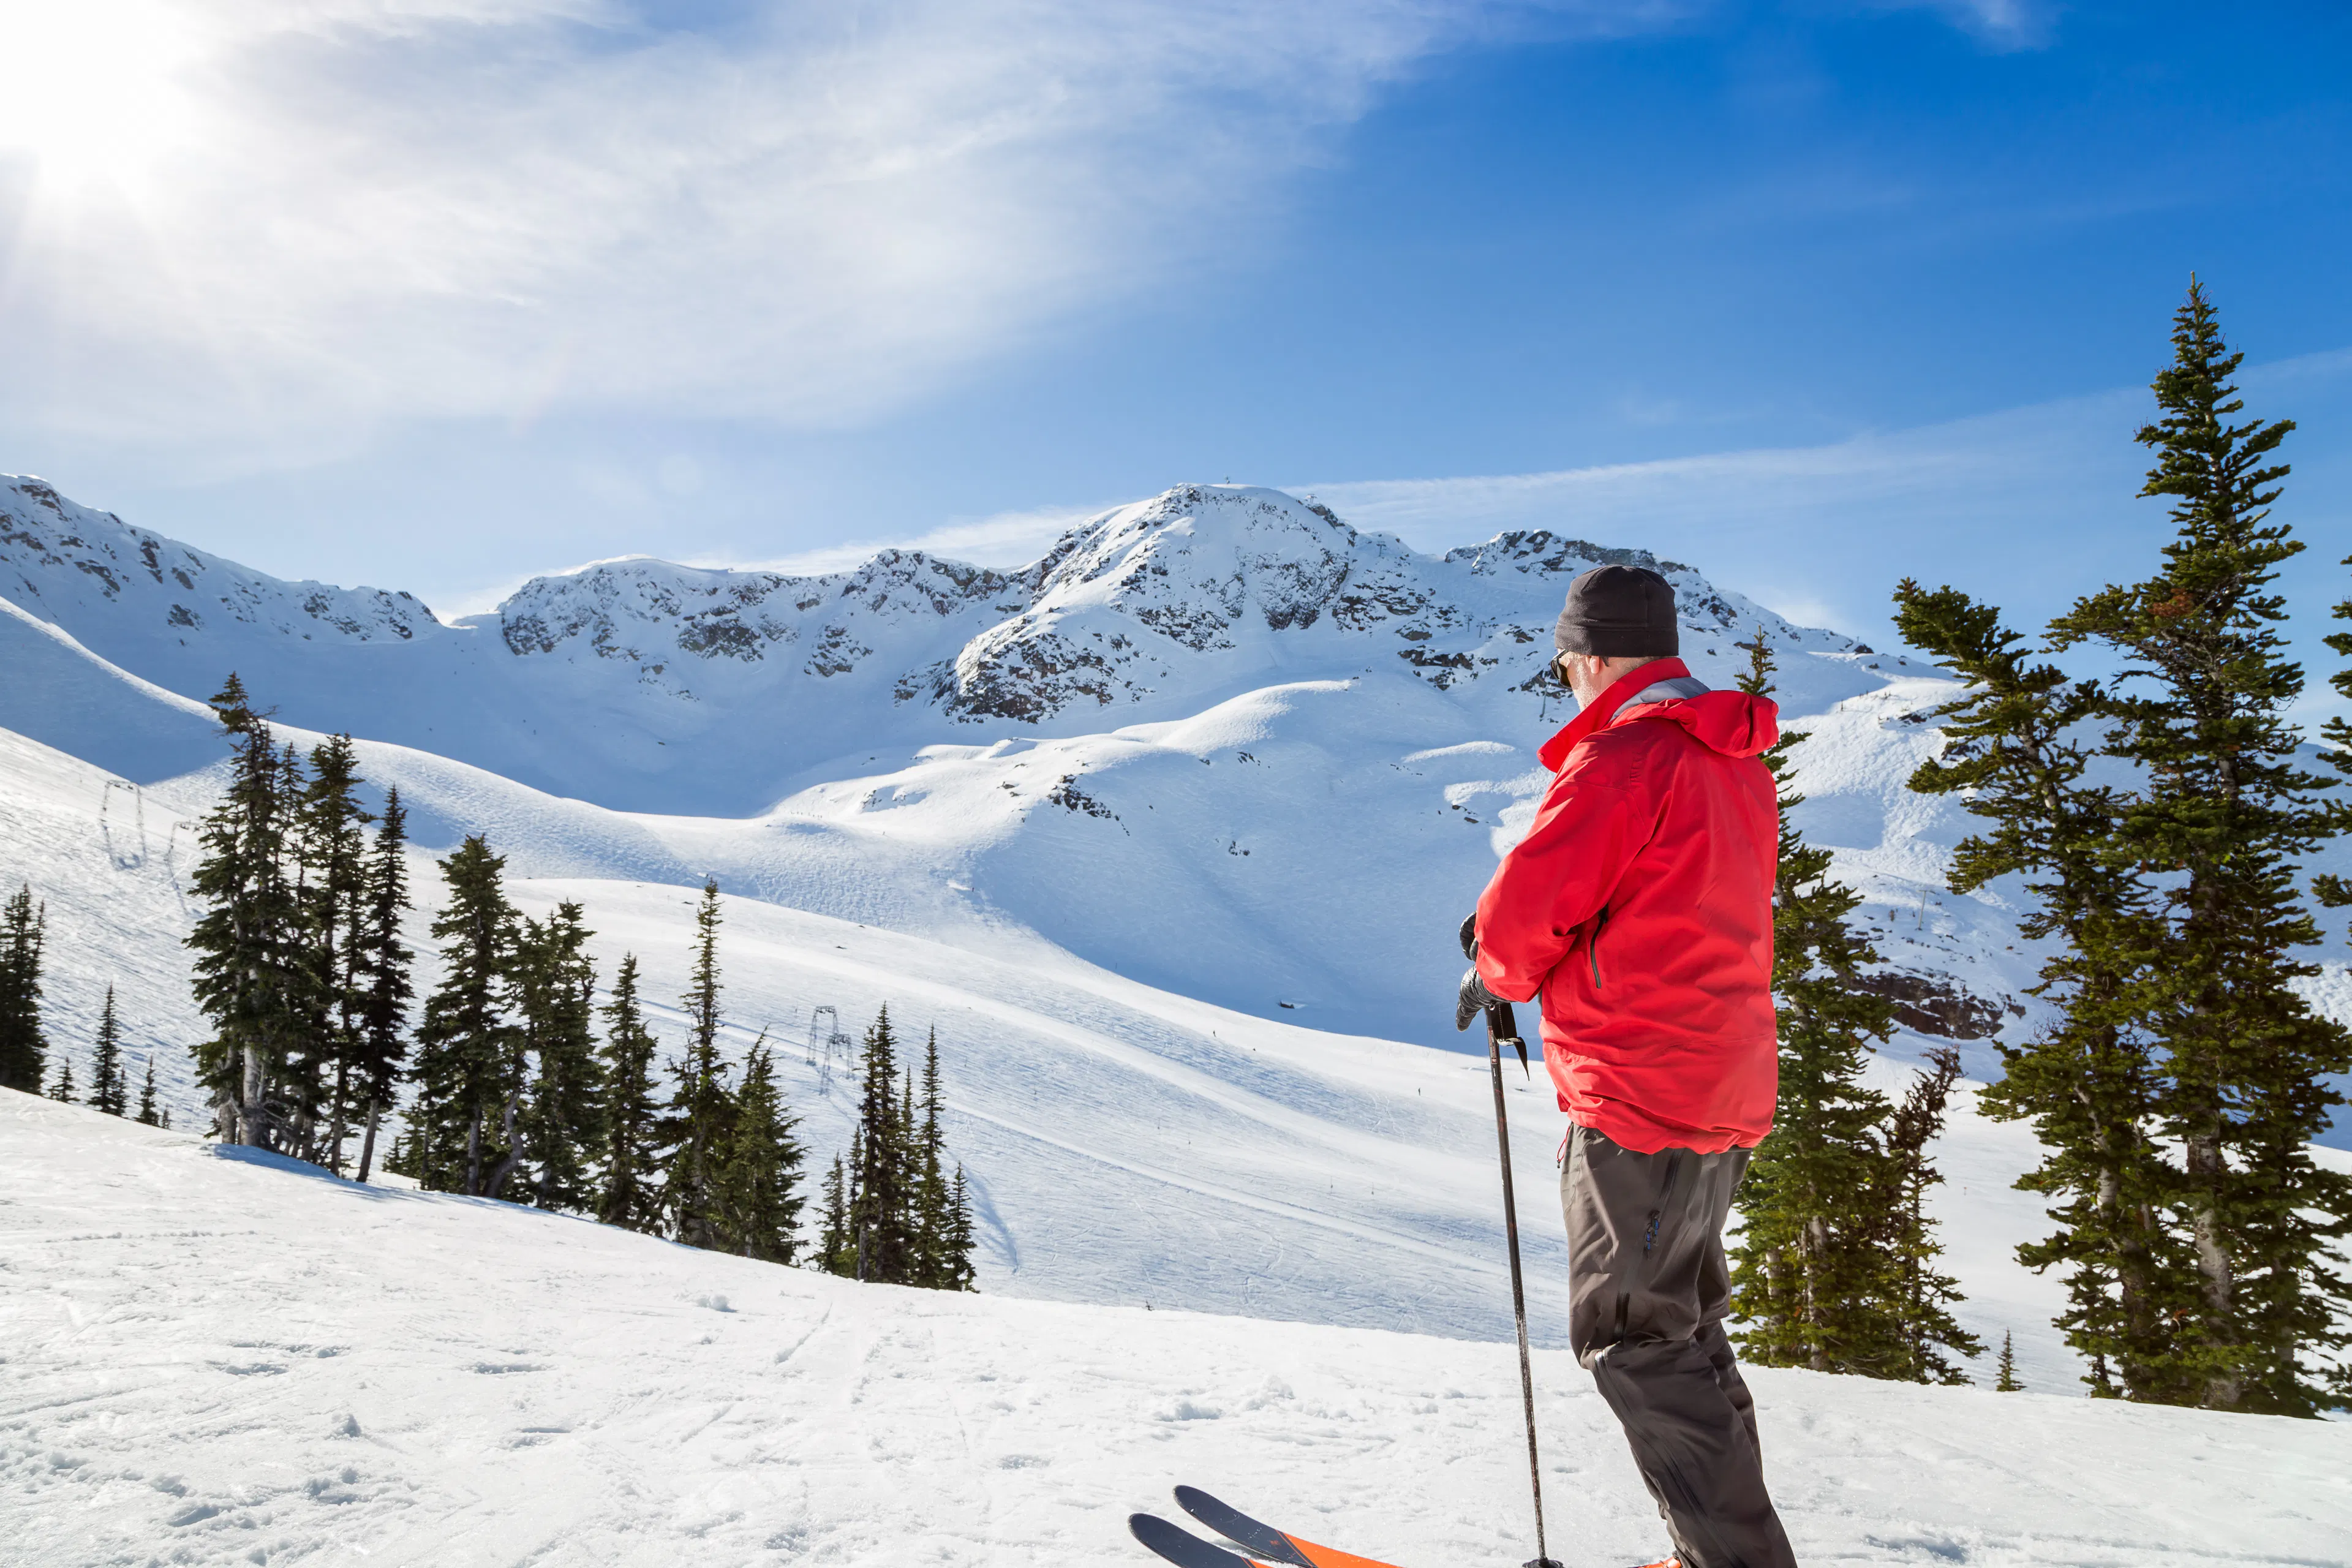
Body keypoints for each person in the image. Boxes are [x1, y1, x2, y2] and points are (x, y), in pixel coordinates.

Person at [1458, 564, 1795, 1568]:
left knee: (1634, 1342)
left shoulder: (1625, 759)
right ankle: (1716, 1555)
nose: (1568, 682)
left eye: (1565, 665)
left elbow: (1534, 908)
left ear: (1594, 657)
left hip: (1641, 1090)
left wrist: (1494, 961)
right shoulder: (1732, 759)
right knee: (1681, 1333)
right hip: (1720, 1082)